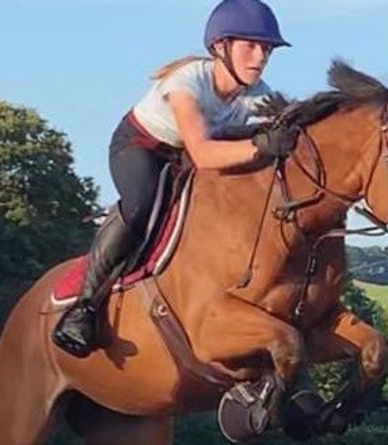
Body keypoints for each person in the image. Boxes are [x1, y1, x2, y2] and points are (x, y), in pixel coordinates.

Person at [52, 0, 299, 359]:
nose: (260, 57)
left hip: (186, 159)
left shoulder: (258, 94)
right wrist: (261, 147)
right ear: (220, 47)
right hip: (141, 147)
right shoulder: (188, 81)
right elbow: (204, 153)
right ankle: (84, 310)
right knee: (142, 205)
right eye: (251, 46)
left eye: (266, 49)